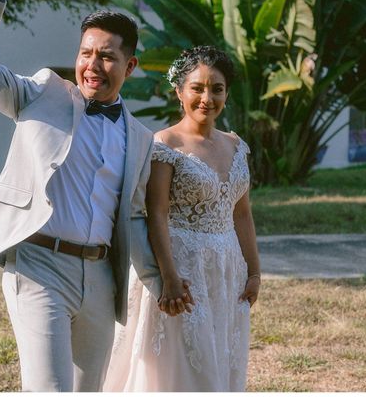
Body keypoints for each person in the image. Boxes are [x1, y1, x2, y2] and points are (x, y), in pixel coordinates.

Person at [0, 0, 177, 392]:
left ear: (129, 66)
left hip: (100, 277)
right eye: (86, 53)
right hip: (39, 265)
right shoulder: (42, 92)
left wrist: (161, 282)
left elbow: (134, 218)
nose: (93, 65)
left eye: (107, 57)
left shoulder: (139, 138)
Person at [103, 46, 261, 392]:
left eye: (216, 89)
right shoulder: (165, 144)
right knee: (180, 363)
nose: (207, 98)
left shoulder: (236, 146)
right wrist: (169, 278)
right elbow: (155, 213)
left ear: (226, 93)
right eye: (197, 88)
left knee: (219, 353)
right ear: (179, 91)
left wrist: (253, 270)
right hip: (180, 267)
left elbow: (242, 212)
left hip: (225, 270)